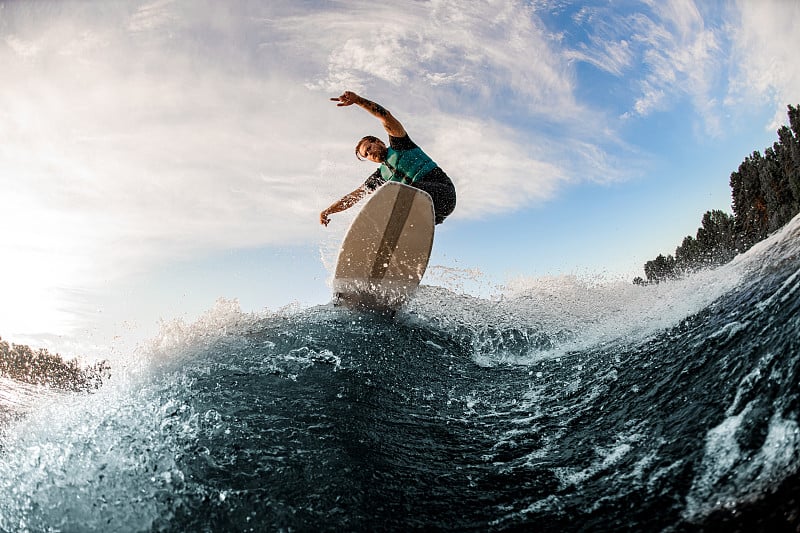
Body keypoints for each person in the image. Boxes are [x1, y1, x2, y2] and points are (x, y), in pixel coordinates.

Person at [319, 91, 456, 226]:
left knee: (391, 194)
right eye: (366, 155)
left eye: (369, 148)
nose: (370, 154)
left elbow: (385, 117)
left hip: (443, 193)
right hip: (432, 215)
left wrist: (358, 100)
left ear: (379, 142)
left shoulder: (401, 144)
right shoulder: (381, 176)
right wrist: (328, 211)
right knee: (382, 212)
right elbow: (354, 197)